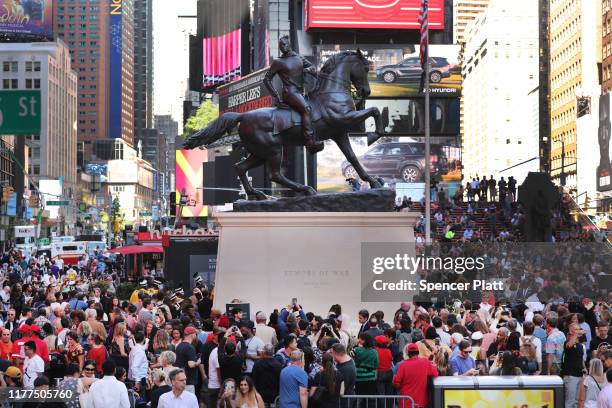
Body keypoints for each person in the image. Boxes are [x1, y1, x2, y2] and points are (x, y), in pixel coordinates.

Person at [263, 35, 324, 154]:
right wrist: (275, 96)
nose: (283, 47)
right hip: (289, 93)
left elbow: (311, 67)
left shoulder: (298, 57)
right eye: (281, 46)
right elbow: (267, 79)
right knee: (306, 109)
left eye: (285, 44)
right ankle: (310, 141)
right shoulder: (278, 62)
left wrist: (309, 71)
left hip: (300, 92)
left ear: (289, 44)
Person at [393, 343, 439, 408]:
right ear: (418, 352)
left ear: (408, 354)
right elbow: (435, 373)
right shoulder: (425, 362)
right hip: (421, 402)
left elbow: (396, 383)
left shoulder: (402, 365)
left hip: (406, 401)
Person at [564, 323, 587, 408]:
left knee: (577, 401)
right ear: (571, 331)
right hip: (570, 375)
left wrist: (584, 368)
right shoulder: (567, 342)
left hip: (579, 375)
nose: (579, 331)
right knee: (570, 401)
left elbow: (580, 359)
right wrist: (576, 334)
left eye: (579, 329)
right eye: (576, 329)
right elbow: (569, 345)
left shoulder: (580, 345)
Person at [174, 325, 201, 395]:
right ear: (192, 335)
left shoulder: (179, 345)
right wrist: (198, 361)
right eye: (195, 334)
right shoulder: (190, 347)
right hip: (188, 381)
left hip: (180, 379)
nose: (196, 335)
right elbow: (191, 364)